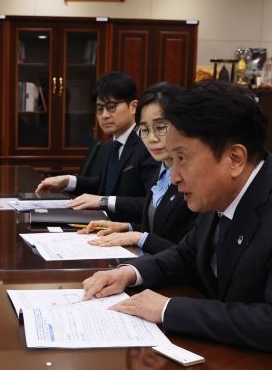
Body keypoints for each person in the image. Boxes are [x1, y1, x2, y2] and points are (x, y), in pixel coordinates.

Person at [81, 80, 272, 370]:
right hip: (240, 361)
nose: (174, 176)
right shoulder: (220, 193)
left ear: (235, 158)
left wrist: (168, 309)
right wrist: (130, 273)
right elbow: (186, 254)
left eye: (182, 158)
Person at [78, 83, 197, 254]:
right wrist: (126, 227)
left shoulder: (195, 179)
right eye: (144, 130)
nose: (152, 138)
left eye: (160, 128)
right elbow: (158, 229)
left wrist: (138, 237)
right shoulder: (162, 171)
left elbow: (190, 252)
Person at [34, 72, 158, 222]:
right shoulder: (112, 144)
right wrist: (67, 181)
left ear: (133, 107)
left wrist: (103, 201)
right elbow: (104, 186)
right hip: (103, 225)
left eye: (111, 107)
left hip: (128, 229)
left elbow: (153, 204)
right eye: (99, 109)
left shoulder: (148, 144)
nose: (104, 115)